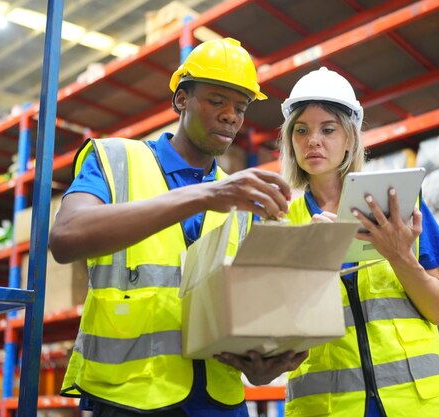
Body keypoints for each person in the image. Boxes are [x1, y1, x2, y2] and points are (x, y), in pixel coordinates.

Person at [49, 37, 306, 417]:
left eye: (241, 106)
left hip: (220, 402)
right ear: (181, 100)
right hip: (130, 398)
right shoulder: (117, 158)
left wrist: (264, 362)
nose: (231, 116)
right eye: (217, 100)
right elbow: (65, 238)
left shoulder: (241, 198)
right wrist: (203, 195)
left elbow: (248, 312)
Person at [280, 67, 439, 417]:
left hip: (417, 406)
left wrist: (398, 255)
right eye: (301, 131)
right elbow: (274, 335)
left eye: (328, 129)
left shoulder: (400, 202)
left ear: (350, 138)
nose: (312, 140)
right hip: (328, 409)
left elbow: (437, 309)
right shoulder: (281, 224)